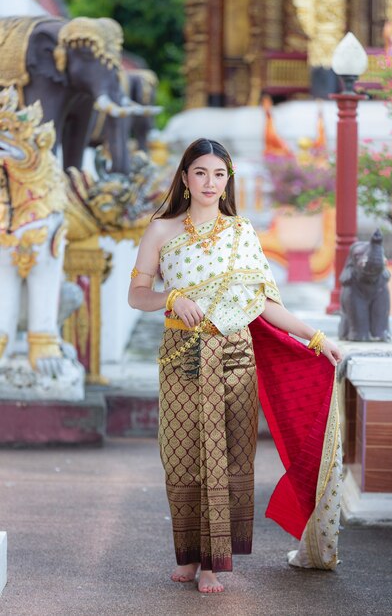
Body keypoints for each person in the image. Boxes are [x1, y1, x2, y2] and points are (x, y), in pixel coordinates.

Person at [128, 138, 343, 594]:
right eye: (201, 172)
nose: (210, 182)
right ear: (185, 177)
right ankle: (187, 554)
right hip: (182, 357)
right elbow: (136, 295)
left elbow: (263, 304)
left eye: (219, 174)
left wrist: (316, 338)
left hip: (235, 358)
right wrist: (171, 297)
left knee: (226, 457)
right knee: (181, 456)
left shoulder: (242, 231)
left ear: (228, 181)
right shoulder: (161, 231)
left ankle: (213, 562)